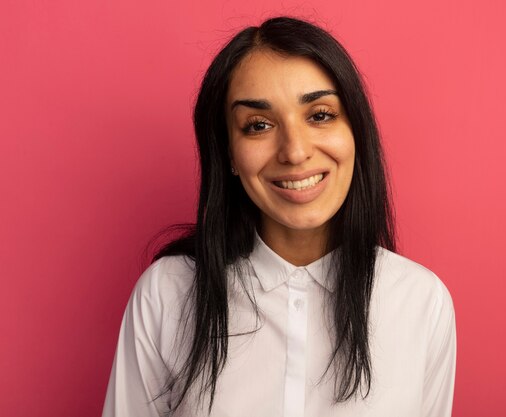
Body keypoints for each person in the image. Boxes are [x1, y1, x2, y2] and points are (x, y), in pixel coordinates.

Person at [102, 16, 456, 417]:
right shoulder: (167, 294)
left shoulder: (421, 302)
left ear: (356, 130)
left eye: (320, 115)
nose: (294, 151)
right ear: (229, 154)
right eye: (258, 125)